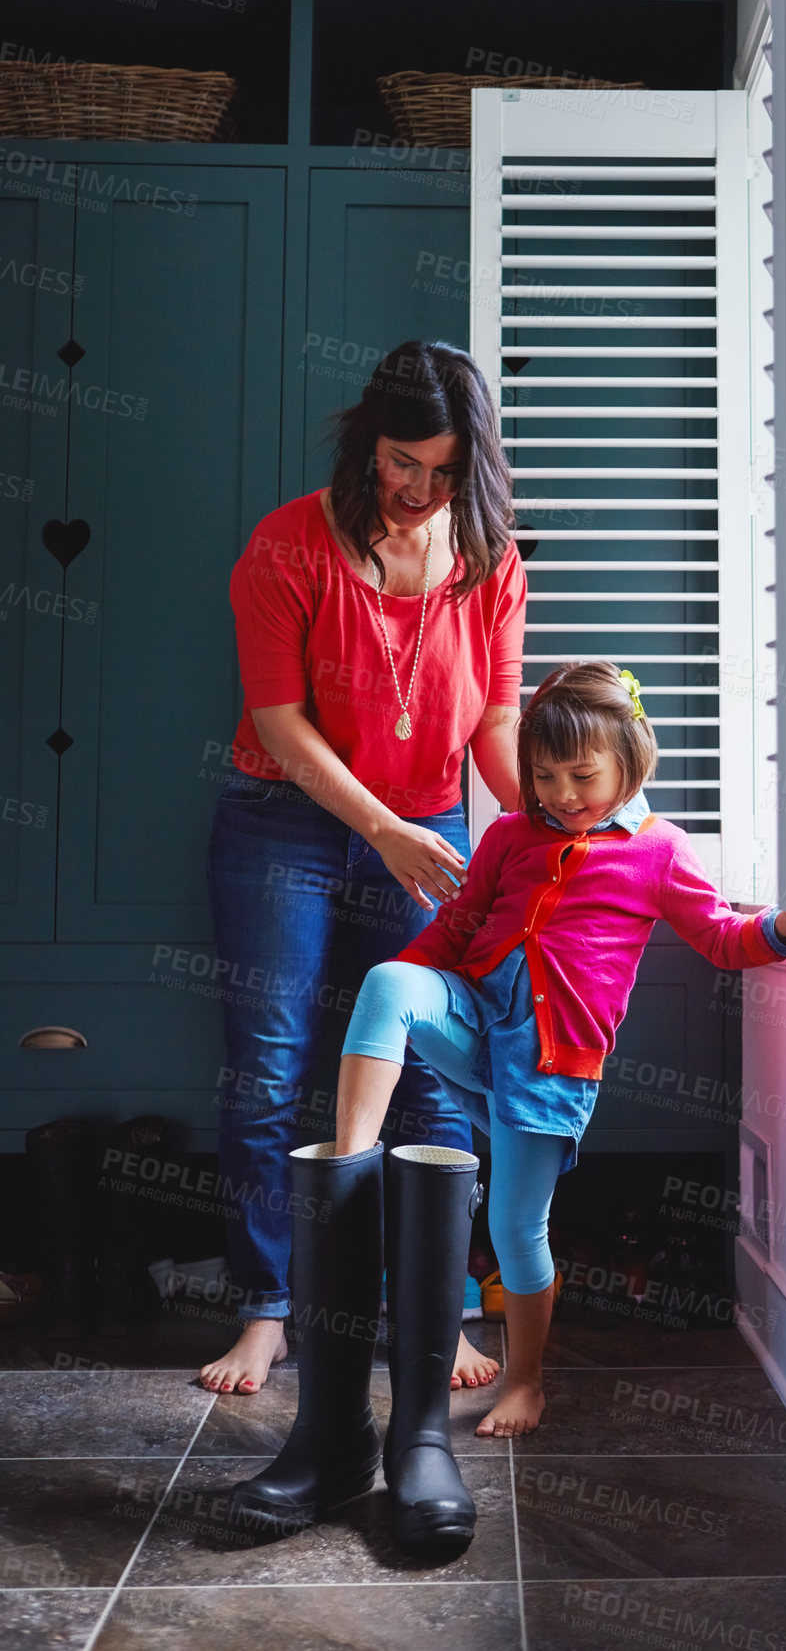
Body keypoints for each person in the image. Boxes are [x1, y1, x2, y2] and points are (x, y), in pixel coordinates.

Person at [226, 657, 786, 1548]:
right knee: (392, 980)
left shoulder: (661, 849)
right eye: (545, 777)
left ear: (632, 760)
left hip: (549, 1067)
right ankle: (348, 1166)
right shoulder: (512, 836)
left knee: (518, 1231)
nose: (561, 794)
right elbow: (459, 926)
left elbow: (718, 936)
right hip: (474, 1017)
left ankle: (527, 1376)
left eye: (581, 777)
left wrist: (780, 929)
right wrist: (424, 973)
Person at [201, 340, 526, 1397]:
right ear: (364, 446)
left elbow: (494, 722)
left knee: (432, 1066)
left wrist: (559, 822)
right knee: (269, 1065)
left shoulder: (492, 564)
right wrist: (382, 827)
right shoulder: (288, 545)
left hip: (429, 829)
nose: (419, 492)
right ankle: (266, 1309)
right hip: (279, 820)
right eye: (400, 464)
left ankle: (444, 1307)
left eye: (442, 473)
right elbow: (278, 724)